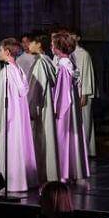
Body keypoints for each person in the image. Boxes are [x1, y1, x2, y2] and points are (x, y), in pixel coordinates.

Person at [0, 38, 38, 192]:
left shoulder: (6, 72)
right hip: (17, 119)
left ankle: (10, 181)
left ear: (7, 52)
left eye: (0, 50)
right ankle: (19, 181)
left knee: (8, 148)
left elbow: (4, 100)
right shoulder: (18, 69)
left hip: (8, 119)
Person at [51, 32, 90, 183]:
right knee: (71, 136)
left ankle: (63, 171)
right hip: (71, 106)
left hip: (64, 107)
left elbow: (62, 91)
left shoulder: (63, 65)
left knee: (63, 135)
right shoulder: (69, 62)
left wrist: (55, 107)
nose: (51, 47)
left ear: (59, 47)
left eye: (53, 44)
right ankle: (72, 169)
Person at [27, 34, 60, 183]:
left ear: (39, 44)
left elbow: (36, 89)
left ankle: (43, 174)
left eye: (31, 42)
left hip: (40, 108)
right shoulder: (47, 60)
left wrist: (31, 109)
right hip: (46, 106)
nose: (29, 45)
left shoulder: (41, 62)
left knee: (41, 141)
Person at [70, 30, 97, 157]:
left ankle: (86, 150)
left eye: (73, 35)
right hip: (72, 92)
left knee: (85, 121)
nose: (70, 37)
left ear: (78, 38)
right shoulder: (68, 53)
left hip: (83, 93)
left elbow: (87, 74)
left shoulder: (84, 54)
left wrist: (85, 93)